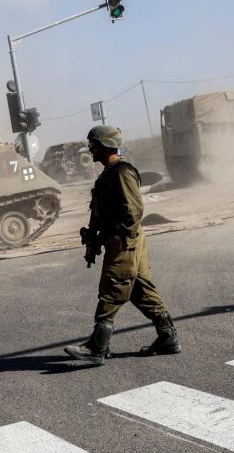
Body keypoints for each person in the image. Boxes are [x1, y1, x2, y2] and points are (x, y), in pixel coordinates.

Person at [64, 125, 181, 364]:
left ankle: (97, 347)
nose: (91, 150)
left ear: (105, 145)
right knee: (140, 289)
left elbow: (134, 210)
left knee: (112, 287)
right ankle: (167, 336)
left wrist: (118, 237)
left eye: (93, 146)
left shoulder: (121, 172)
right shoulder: (109, 173)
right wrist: (95, 237)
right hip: (124, 240)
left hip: (124, 242)